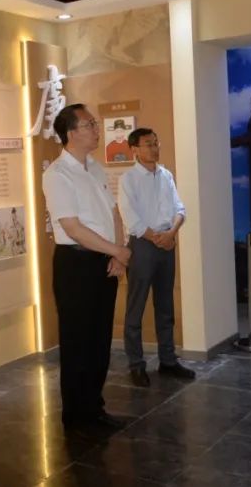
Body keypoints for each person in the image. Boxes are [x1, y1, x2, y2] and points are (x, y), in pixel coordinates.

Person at [42, 104, 132, 432]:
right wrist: (117, 251)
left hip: (104, 259)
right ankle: (77, 416)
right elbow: (73, 228)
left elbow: (114, 213)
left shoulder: (95, 167)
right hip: (76, 264)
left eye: (94, 123)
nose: (96, 129)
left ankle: (95, 407)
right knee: (78, 341)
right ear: (70, 133)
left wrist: (117, 254)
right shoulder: (57, 174)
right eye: (89, 124)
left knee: (99, 339)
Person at [118, 128, 196, 387]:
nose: (154, 148)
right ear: (134, 149)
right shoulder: (128, 179)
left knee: (165, 306)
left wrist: (171, 233)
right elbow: (131, 218)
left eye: (156, 143)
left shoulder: (166, 175)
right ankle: (136, 364)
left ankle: (168, 360)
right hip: (143, 245)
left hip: (167, 243)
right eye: (148, 144)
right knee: (136, 306)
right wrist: (158, 237)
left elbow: (180, 209)